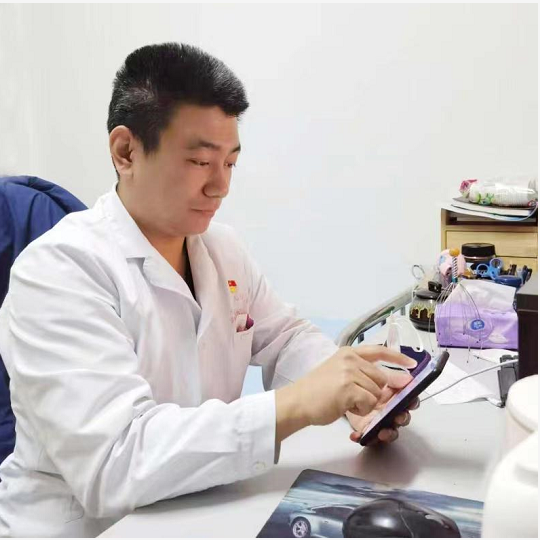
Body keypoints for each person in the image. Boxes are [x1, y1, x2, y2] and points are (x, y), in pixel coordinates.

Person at [0, 43, 418, 537]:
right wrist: (296, 404)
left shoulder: (221, 248)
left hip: (198, 506)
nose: (220, 186)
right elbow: (115, 463)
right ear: (126, 151)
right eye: (200, 161)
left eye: (231, 163)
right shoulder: (58, 271)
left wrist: (356, 388)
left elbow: (283, 337)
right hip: (93, 527)